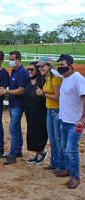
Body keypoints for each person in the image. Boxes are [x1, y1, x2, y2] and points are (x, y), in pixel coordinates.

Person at [57, 54, 85, 189]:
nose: (60, 67)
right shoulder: (64, 77)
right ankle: (68, 169)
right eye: (59, 65)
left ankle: (75, 177)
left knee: (71, 149)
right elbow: (53, 70)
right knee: (64, 147)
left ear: (70, 65)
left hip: (75, 122)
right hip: (63, 120)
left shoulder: (78, 78)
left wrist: (83, 118)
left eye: (62, 65)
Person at [35, 57, 67, 173]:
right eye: (39, 66)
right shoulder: (48, 78)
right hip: (50, 110)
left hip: (56, 111)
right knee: (53, 140)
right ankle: (54, 163)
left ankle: (60, 165)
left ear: (49, 66)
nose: (40, 68)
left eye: (42, 66)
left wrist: (43, 93)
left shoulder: (55, 78)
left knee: (57, 140)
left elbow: (58, 98)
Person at [0, 51, 29, 165]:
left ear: (18, 59)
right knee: (16, 128)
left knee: (12, 129)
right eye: (9, 59)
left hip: (18, 104)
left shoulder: (22, 72)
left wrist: (6, 91)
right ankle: (18, 151)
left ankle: (13, 154)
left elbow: (21, 90)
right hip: (13, 104)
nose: (10, 61)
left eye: (12, 59)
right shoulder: (14, 71)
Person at [24, 61, 48, 165]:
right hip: (29, 111)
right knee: (32, 132)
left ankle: (42, 152)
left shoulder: (42, 82)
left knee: (39, 132)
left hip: (40, 112)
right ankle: (38, 154)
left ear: (37, 70)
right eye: (28, 69)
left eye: (32, 69)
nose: (29, 71)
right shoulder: (28, 81)